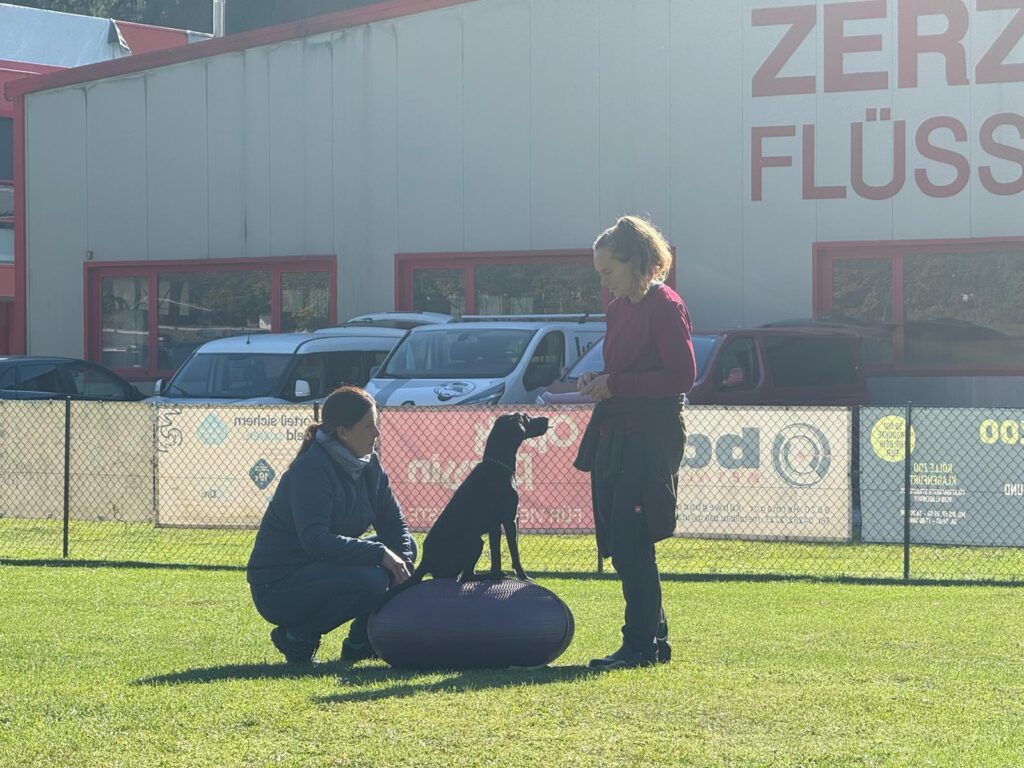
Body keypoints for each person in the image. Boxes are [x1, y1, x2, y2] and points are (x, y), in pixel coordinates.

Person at [574, 215, 696, 670]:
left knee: (632, 538)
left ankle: (640, 644)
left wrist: (617, 385)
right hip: (615, 433)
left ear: (636, 262)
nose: (603, 282)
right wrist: (597, 379)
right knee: (621, 538)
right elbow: (621, 370)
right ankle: (653, 640)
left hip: (651, 435)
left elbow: (682, 376)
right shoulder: (617, 310)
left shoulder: (665, 305)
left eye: (608, 270)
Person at [247, 386, 415, 665]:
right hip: (278, 586)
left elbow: (395, 525)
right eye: (368, 426)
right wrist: (380, 554)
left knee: (405, 550)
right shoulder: (311, 470)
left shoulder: (370, 466)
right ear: (343, 432)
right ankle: (297, 637)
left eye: (376, 424)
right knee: (372, 580)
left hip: (322, 568)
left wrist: (402, 567)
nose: (377, 433)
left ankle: (361, 643)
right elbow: (316, 541)